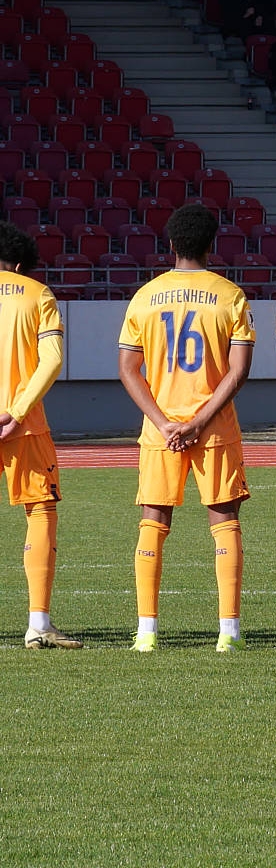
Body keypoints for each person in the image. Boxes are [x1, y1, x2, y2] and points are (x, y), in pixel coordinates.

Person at [116, 205, 254, 653]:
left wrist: (164, 423)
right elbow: (238, 371)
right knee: (224, 520)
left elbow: (128, 368)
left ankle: (147, 632)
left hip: (161, 431)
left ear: (171, 244)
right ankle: (228, 633)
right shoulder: (230, 295)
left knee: (153, 520)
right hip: (214, 429)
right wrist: (199, 421)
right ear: (212, 245)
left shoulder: (145, 296)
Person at [0, 222, 72, 649]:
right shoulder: (37, 294)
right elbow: (52, 360)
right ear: (20, 264)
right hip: (22, 425)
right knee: (40, 511)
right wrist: (17, 410)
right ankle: (38, 623)